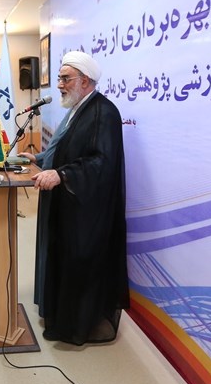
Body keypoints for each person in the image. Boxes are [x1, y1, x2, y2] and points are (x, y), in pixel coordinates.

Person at [18, 51, 129, 346]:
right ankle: (62, 318)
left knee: (81, 266)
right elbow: (68, 148)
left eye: (65, 79)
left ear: (85, 81)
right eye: (60, 78)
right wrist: (41, 159)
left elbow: (101, 162)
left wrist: (62, 175)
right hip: (69, 204)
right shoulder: (78, 109)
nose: (59, 85)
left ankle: (79, 327)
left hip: (88, 211)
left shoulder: (104, 112)